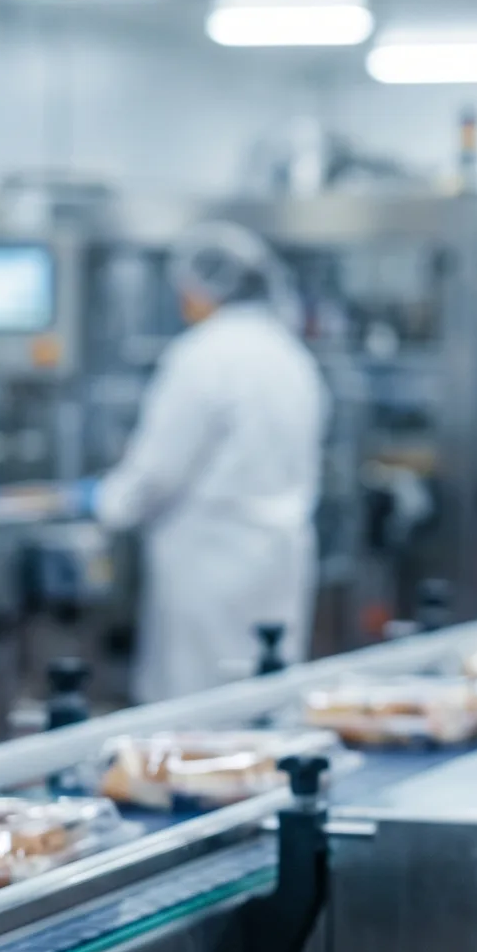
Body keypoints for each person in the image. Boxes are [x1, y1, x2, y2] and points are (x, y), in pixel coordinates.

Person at [85, 222, 327, 704]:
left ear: (203, 289)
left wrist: (105, 502)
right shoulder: (290, 356)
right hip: (279, 557)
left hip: (208, 562)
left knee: (196, 709)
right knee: (265, 697)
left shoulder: (202, 355)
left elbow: (158, 472)